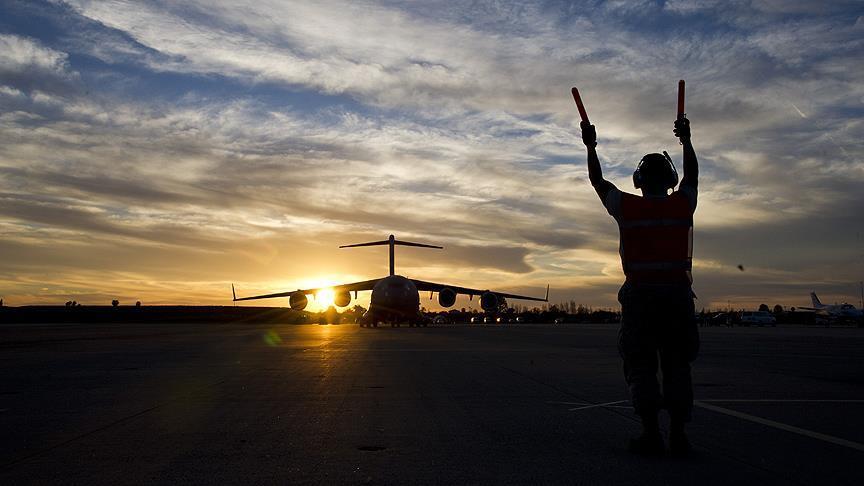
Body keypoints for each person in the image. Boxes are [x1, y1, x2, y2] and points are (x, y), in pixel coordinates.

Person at [581, 116, 699, 456]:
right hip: (677, 297)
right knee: (677, 365)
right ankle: (678, 436)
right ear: (669, 180)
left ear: (639, 181)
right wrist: (686, 141)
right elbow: (692, 176)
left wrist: (591, 146)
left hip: (640, 300)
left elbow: (597, 181)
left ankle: (651, 433)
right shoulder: (682, 205)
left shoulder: (627, 207)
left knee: (641, 365)